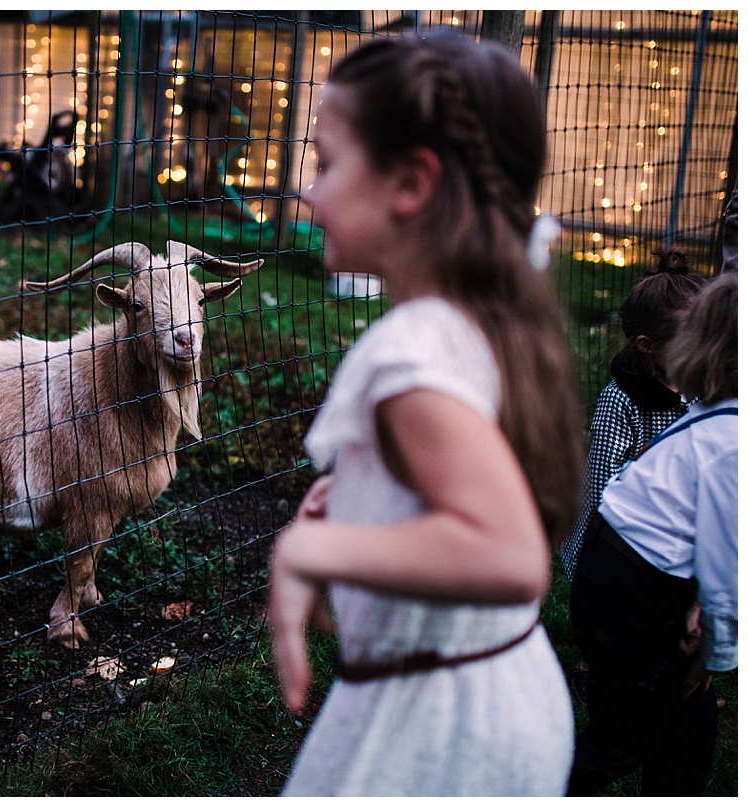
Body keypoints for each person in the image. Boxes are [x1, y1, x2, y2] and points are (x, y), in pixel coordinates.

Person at [267, 30, 585, 796]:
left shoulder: (408, 352)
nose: (307, 191)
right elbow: (468, 477)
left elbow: (509, 557)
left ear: (410, 182)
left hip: (440, 731)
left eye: (325, 164)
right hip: (502, 691)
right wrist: (365, 501)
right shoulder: (481, 315)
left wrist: (312, 552)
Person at [567, 271, 737, 796]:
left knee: (688, 738)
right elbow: (727, 569)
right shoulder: (730, 442)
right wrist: (715, 654)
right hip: (626, 584)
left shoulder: (714, 412)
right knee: (622, 739)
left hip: (642, 576)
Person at [558, 248, 705, 699]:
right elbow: (602, 484)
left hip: (675, 524)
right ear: (648, 346)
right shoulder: (622, 401)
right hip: (616, 532)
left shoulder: (701, 391)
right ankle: (592, 661)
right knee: (610, 607)